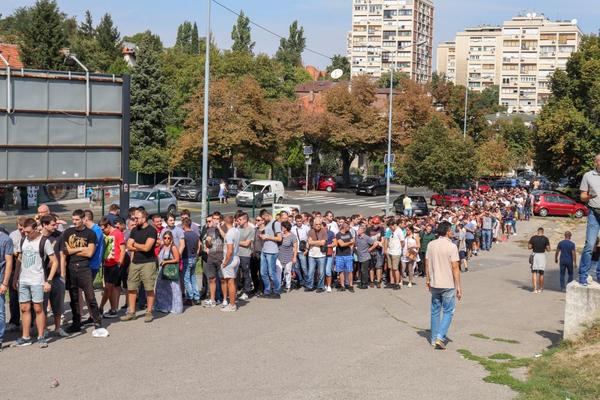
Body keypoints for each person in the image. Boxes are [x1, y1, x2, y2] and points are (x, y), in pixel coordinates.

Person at [14, 218, 58, 347]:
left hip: (37, 280)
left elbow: (54, 262)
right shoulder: (23, 240)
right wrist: (16, 277)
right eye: (24, 231)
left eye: (28, 232)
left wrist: (48, 280)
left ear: (35, 228)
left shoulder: (44, 241)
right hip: (23, 280)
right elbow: (19, 260)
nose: (25, 234)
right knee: (24, 308)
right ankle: (25, 336)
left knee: (38, 308)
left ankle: (41, 336)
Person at [62, 210, 102, 333]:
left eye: (77, 220)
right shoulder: (68, 232)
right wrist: (80, 248)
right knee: (74, 298)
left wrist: (72, 249)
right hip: (71, 267)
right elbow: (65, 251)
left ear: (83, 219)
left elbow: (89, 253)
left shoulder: (90, 233)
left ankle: (97, 322)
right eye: (73, 219)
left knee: (90, 297)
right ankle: (76, 323)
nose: (74, 222)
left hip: (85, 267)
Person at [425, 221, 461, 350]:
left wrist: (428, 280)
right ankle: (440, 337)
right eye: (450, 230)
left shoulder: (431, 245)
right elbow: (455, 267)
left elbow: (427, 263)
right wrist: (458, 287)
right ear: (447, 231)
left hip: (435, 282)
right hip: (448, 283)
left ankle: (434, 338)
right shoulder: (452, 246)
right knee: (448, 311)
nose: (452, 232)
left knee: (435, 310)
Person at [121, 208, 158, 323]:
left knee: (149, 288)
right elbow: (128, 246)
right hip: (135, 262)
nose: (135, 220)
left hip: (148, 263)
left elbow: (147, 248)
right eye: (133, 218)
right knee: (131, 287)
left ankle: (149, 311)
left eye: (136, 218)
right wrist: (136, 248)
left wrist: (135, 245)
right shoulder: (134, 230)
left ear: (144, 218)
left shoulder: (152, 230)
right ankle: (131, 312)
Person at [39, 215, 68, 337]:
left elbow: (62, 256)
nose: (55, 226)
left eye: (55, 224)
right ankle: (44, 329)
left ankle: (57, 328)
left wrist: (63, 274)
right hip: (42, 277)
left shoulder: (59, 236)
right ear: (44, 225)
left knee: (58, 305)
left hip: (56, 277)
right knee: (42, 306)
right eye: (52, 224)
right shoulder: (38, 237)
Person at [578, 153, 600, 286]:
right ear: (596, 162)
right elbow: (582, 196)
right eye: (599, 161)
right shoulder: (588, 175)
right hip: (594, 213)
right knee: (589, 245)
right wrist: (589, 197)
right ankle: (583, 275)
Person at [99, 217, 125, 318]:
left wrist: (119, 263)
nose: (102, 231)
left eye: (103, 229)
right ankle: (113, 309)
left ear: (108, 226)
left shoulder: (117, 233)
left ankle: (100, 308)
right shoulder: (106, 234)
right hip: (107, 264)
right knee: (110, 289)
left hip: (115, 264)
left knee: (108, 288)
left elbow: (123, 249)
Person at [82, 210, 104, 325]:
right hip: (90, 264)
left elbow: (91, 250)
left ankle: (95, 316)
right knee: (87, 291)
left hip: (92, 264)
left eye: (81, 219)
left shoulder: (95, 231)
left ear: (85, 219)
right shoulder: (93, 230)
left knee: (89, 292)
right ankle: (93, 315)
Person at [155, 231, 183, 314]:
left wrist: (166, 262)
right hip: (161, 271)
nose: (166, 239)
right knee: (161, 289)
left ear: (171, 239)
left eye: (168, 238)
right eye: (165, 238)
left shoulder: (173, 247)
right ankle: (163, 306)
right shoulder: (162, 246)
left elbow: (177, 259)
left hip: (170, 271)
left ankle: (174, 307)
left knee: (173, 290)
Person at [202, 213, 226, 307]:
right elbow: (208, 244)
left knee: (223, 280)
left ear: (220, 220)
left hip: (221, 258)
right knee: (212, 279)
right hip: (211, 258)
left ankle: (224, 299)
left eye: (217, 219)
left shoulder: (224, 228)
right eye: (214, 219)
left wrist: (219, 228)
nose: (215, 220)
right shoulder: (209, 229)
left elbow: (225, 237)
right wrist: (207, 242)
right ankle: (212, 300)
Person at [258, 209, 282, 298]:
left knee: (272, 273)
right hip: (264, 250)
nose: (263, 219)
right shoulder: (267, 223)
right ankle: (267, 291)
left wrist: (267, 237)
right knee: (263, 272)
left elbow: (279, 238)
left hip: (272, 251)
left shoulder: (275, 223)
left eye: (263, 218)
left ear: (267, 215)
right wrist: (262, 236)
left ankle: (276, 291)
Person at [220, 216, 240, 312]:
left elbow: (230, 250)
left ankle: (232, 305)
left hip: (230, 260)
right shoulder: (236, 230)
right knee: (232, 281)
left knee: (230, 282)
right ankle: (232, 302)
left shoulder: (230, 233)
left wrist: (225, 262)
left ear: (224, 222)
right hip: (236, 258)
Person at [181, 218, 201, 305]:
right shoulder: (195, 234)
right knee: (193, 277)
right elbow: (199, 245)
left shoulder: (184, 235)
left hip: (186, 257)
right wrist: (196, 254)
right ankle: (197, 297)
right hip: (194, 257)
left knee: (186, 278)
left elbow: (182, 245)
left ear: (184, 225)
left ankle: (190, 297)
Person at [0, 226, 14, 351]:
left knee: (0, 311)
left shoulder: (5, 239)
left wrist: (4, 283)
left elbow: (9, 262)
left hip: (0, 280)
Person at [237, 213, 255, 300]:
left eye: (240, 219)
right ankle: (239, 289)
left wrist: (236, 242)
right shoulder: (237, 228)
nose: (238, 221)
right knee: (237, 274)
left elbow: (247, 243)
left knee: (246, 273)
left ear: (245, 220)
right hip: (237, 254)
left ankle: (246, 291)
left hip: (245, 255)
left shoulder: (251, 230)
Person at [307, 217, 328, 293]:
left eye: (319, 224)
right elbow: (309, 242)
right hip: (312, 254)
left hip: (321, 255)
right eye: (316, 224)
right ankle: (310, 286)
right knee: (310, 271)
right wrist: (318, 242)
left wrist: (314, 242)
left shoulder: (324, 231)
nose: (318, 225)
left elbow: (323, 243)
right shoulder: (310, 231)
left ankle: (321, 287)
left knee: (321, 272)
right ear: (313, 224)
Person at [528, 227, 550, 293]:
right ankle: (540, 288)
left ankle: (535, 289)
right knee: (541, 273)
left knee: (534, 272)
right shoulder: (545, 239)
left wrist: (533, 246)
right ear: (543, 232)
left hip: (535, 255)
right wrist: (546, 248)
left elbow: (529, 247)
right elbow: (548, 249)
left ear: (538, 231)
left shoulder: (533, 238)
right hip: (542, 256)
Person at [278, 221, 298, 293]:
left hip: (288, 256)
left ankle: (288, 286)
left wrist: (294, 257)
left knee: (287, 271)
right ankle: (278, 285)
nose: (281, 228)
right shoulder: (280, 235)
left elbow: (295, 247)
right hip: (279, 256)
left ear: (286, 228)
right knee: (279, 272)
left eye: (282, 226)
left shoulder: (292, 236)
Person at [335, 220, 355, 292]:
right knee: (341, 271)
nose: (349, 228)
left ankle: (350, 285)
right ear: (344, 227)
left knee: (350, 271)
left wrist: (350, 245)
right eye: (348, 227)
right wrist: (350, 242)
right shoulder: (338, 234)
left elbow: (353, 241)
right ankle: (342, 285)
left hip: (348, 254)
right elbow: (341, 244)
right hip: (340, 255)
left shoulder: (349, 233)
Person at [384, 219, 404, 289]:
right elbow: (386, 239)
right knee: (391, 268)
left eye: (391, 227)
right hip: (390, 251)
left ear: (394, 225)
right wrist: (385, 249)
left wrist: (399, 249)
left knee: (395, 269)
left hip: (396, 252)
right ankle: (392, 282)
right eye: (389, 227)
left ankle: (397, 283)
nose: (390, 228)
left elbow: (402, 242)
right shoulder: (389, 230)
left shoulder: (399, 231)